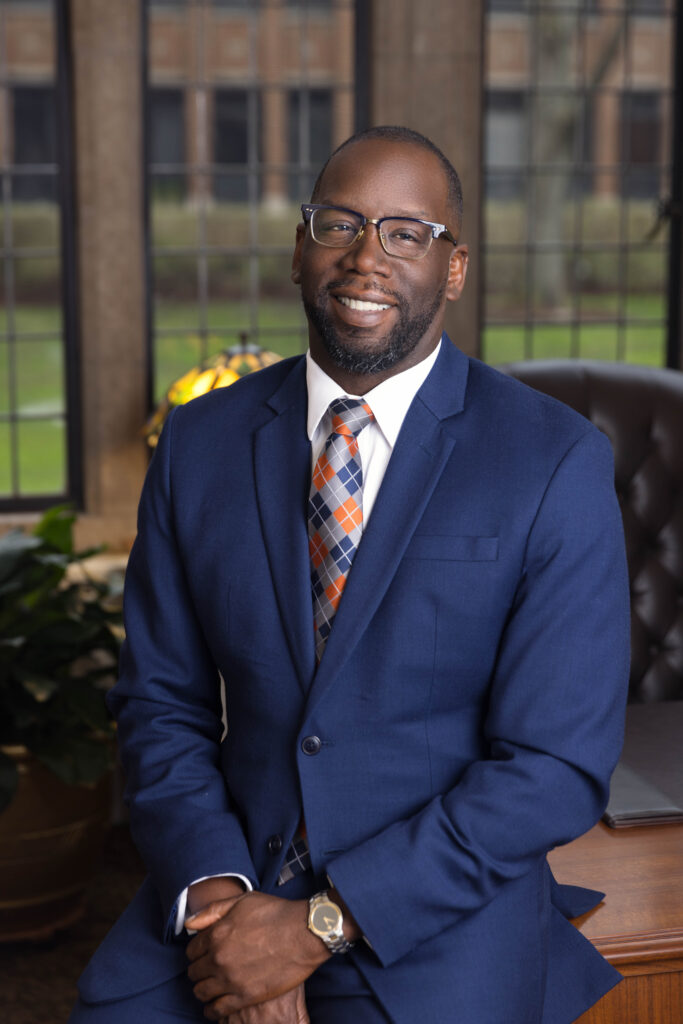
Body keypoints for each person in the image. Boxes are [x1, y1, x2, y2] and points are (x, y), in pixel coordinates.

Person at [70, 126, 630, 1024]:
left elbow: (552, 767)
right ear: (300, 248)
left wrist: (314, 928)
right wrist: (223, 906)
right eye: (340, 224)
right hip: (229, 880)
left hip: (431, 924)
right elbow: (158, 704)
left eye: (407, 233)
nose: (367, 257)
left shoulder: (551, 459)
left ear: (453, 268)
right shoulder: (199, 443)